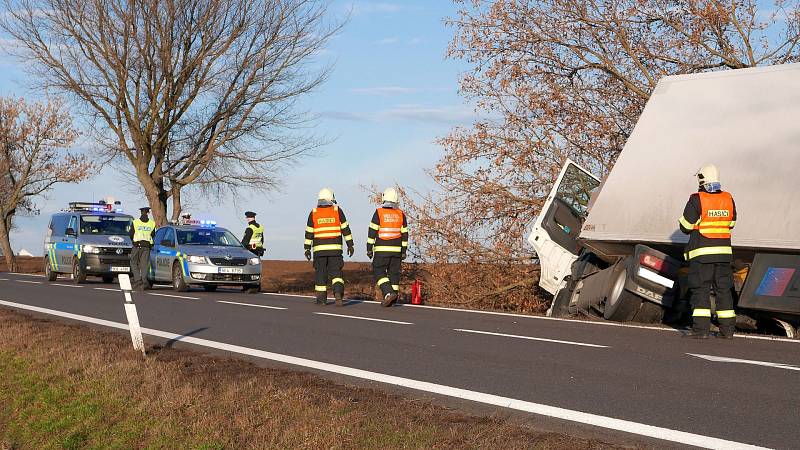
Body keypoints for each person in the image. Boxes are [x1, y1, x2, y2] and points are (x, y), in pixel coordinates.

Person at [679, 164, 737, 339]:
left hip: (702, 255)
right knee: (724, 291)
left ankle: (700, 331)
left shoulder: (696, 199)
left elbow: (685, 227)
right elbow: (731, 223)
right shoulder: (728, 198)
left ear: (702, 179)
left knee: (701, 291)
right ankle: (727, 331)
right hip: (724, 255)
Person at [304, 188, 354, 306]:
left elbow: (309, 233)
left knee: (320, 273)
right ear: (331, 199)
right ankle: (338, 294)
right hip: (335, 250)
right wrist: (350, 244)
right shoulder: (337, 211)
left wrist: (306, 248)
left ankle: (321, 299)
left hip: (319, 251)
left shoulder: (314, 213)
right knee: (336, 273)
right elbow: (346, 229)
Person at [366, 187, 408, 307]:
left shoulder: (379, 212)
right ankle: (394, 297)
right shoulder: (401, 214)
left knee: (378, 270)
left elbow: (372, 231)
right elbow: (405, 234)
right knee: (394, 273)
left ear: (384, 198)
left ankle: (388, 293)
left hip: (382, 250)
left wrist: (369, 248)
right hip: (396, 251)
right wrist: (403, 250)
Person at [129, 207, 156, 291]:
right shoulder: (152, 223)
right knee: (144, 265)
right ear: (148, 213)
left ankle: (137, 280)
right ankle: (144, 282)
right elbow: (153, 235)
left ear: (141, 213)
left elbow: (131, 234)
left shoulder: (135, 222)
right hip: (147, 246)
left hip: (137, 245)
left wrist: (134, 242)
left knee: (133, 262)